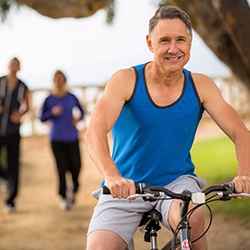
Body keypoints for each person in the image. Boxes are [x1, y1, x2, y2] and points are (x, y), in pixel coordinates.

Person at [84, 5, 250, 250]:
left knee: (193, 217)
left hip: (177, 184)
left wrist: (244, 173)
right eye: (165, 41)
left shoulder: (201, 85)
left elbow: (240, 132)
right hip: (125, 187)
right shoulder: (125, 80)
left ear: (190, 43)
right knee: (100, 247)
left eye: (180, 40)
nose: (174, 49)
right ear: (150, 43)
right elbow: (94, 132)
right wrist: (112, 177)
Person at [40, 70, 85, 210]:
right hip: (56, 138)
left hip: (72, 136)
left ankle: (74, 188)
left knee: (76, 166)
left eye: (61, 79)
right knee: (61, 168)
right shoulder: (49, 99)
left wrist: (77, 119)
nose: (59, 81)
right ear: (54, 81)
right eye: (56, 79)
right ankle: (63, 197)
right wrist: (52, 113)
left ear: (65, 81)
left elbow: (82, 112)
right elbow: (42, 118)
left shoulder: (71, 97)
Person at [0, 57, 30, 213]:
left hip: (13, 131)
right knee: (6, 167)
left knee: (14, 165)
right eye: (12, 64)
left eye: (16, 65)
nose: (14, 67)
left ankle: (11, 200)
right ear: (8, 66)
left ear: (19, 68)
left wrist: (20, 114)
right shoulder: (0, 81)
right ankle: (5, 178)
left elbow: (27, 105)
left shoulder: (23, 86)